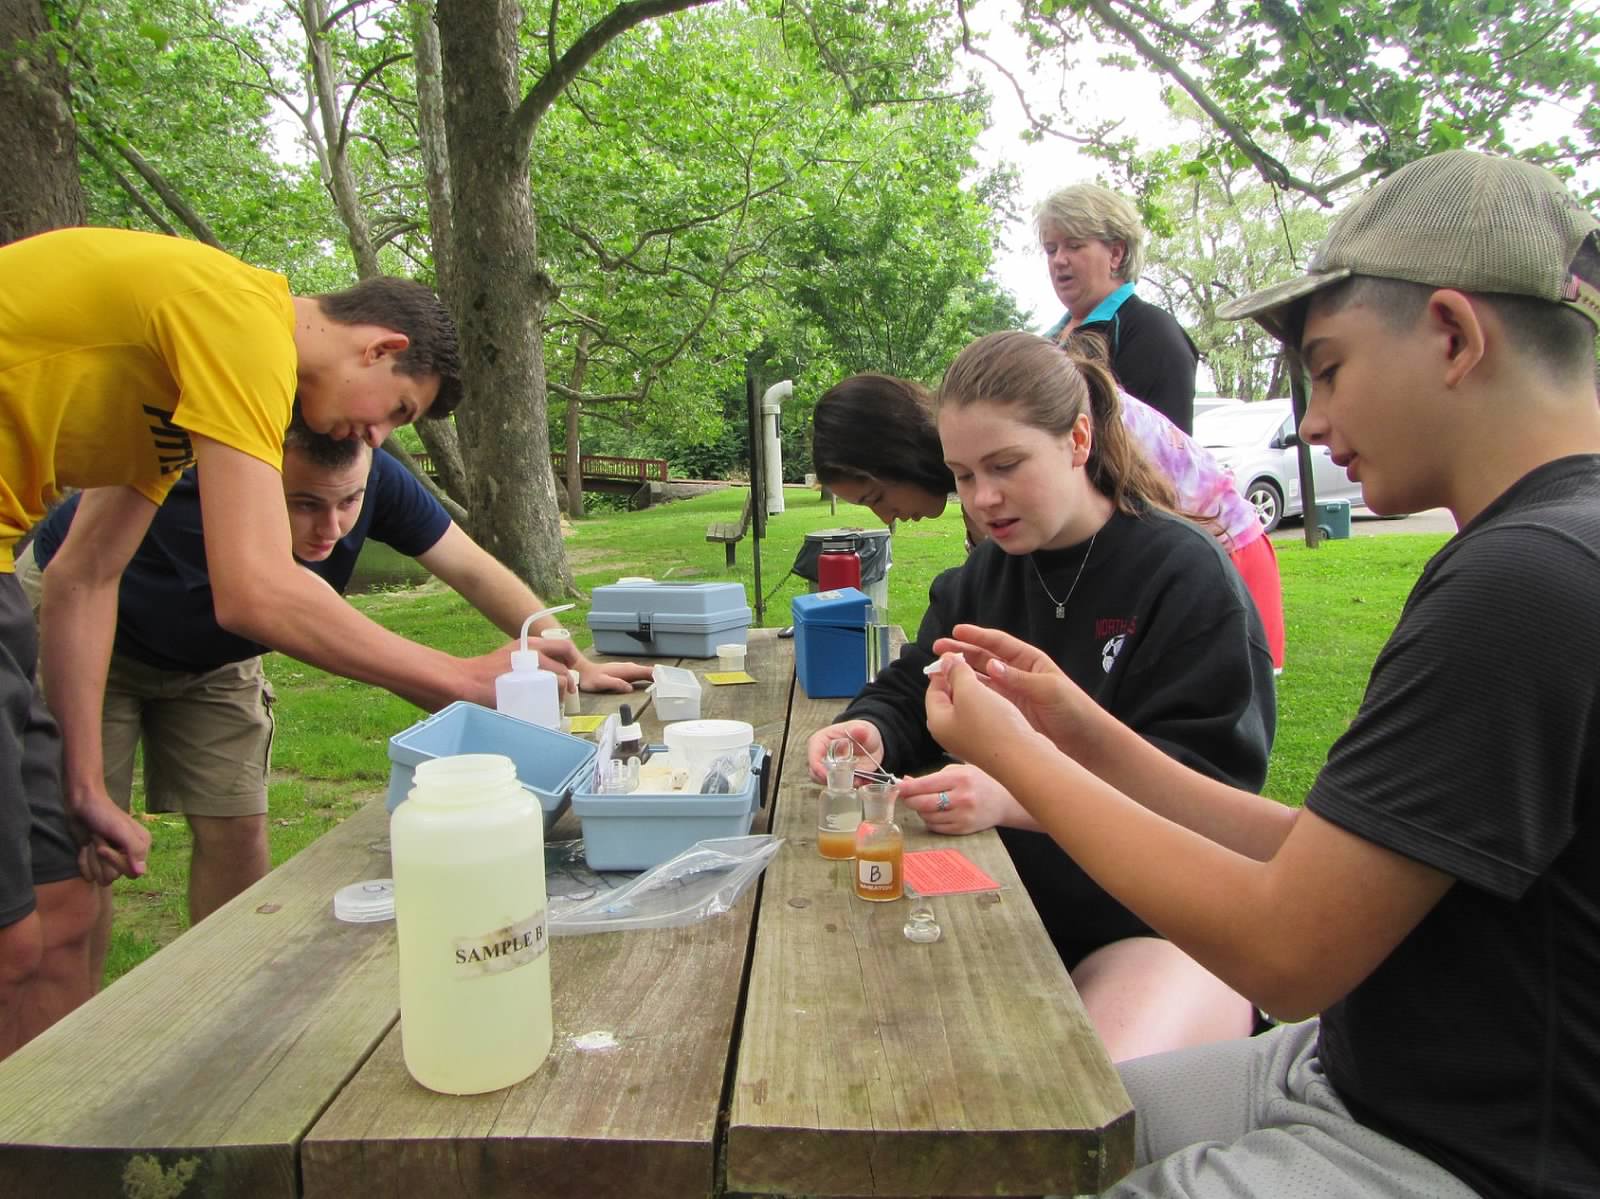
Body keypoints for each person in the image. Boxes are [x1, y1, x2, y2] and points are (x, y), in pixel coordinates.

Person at [922, 150, 1600, 1197]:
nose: (1313, 423)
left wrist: (1018, 756)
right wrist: (1079, 725)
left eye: (1325, 369)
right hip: (1350, 1066)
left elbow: (1286, 952)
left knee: (1014, 1169)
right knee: (996, 1136)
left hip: (1456, 1146)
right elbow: (1331, 858)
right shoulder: (1541, 546)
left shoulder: (1527, 581)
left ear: (1455, 337)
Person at [0, 226, 482, 1059]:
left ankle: (56, 1147)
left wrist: (85, 783)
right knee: (16, 938)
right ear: (380, 348)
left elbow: (84, 576)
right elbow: (254, 587)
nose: (376, 440)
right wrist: (457, 679)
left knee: (65, 909)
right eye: (396, 412)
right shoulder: (241, 318)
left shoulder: (184, 388)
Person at [15, 423, 651, 981]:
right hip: (93, 633)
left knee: (237, 823)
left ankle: (231, 989)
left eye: (349, 502)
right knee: (83, 853)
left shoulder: (380, 476)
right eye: (303, 505)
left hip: (218, 653)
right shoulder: (196, 491)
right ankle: (71, 1017)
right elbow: (295, 624)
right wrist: (456, 679)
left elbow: (474, 569)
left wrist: (566, 651)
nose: (332, 528)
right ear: (259, 481)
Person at [807, 334, 1277, 1062]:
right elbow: (914, 681)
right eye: (962, 475)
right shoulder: (984, 577)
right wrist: (869, 730)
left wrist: (1012, 792)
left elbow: (1209, 798)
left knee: (1090, 1094)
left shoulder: (1185, 579)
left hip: (1152, 931)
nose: (982, 498)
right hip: (1007, 911)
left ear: (1078, 438)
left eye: (1005, 466)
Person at [812, 368, 1286, 669]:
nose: (885, 517)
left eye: (877, 495)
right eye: (965, 475)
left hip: (1228, 550)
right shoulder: (995, 507)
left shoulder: (1003, 411)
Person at [1038, 183, 1199, 432]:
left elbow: (1166, 458)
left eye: (1074, 245)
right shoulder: (1046, 342)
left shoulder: (1152, 333)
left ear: (1116, 254)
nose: (1059, 260)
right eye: (1051, 249)